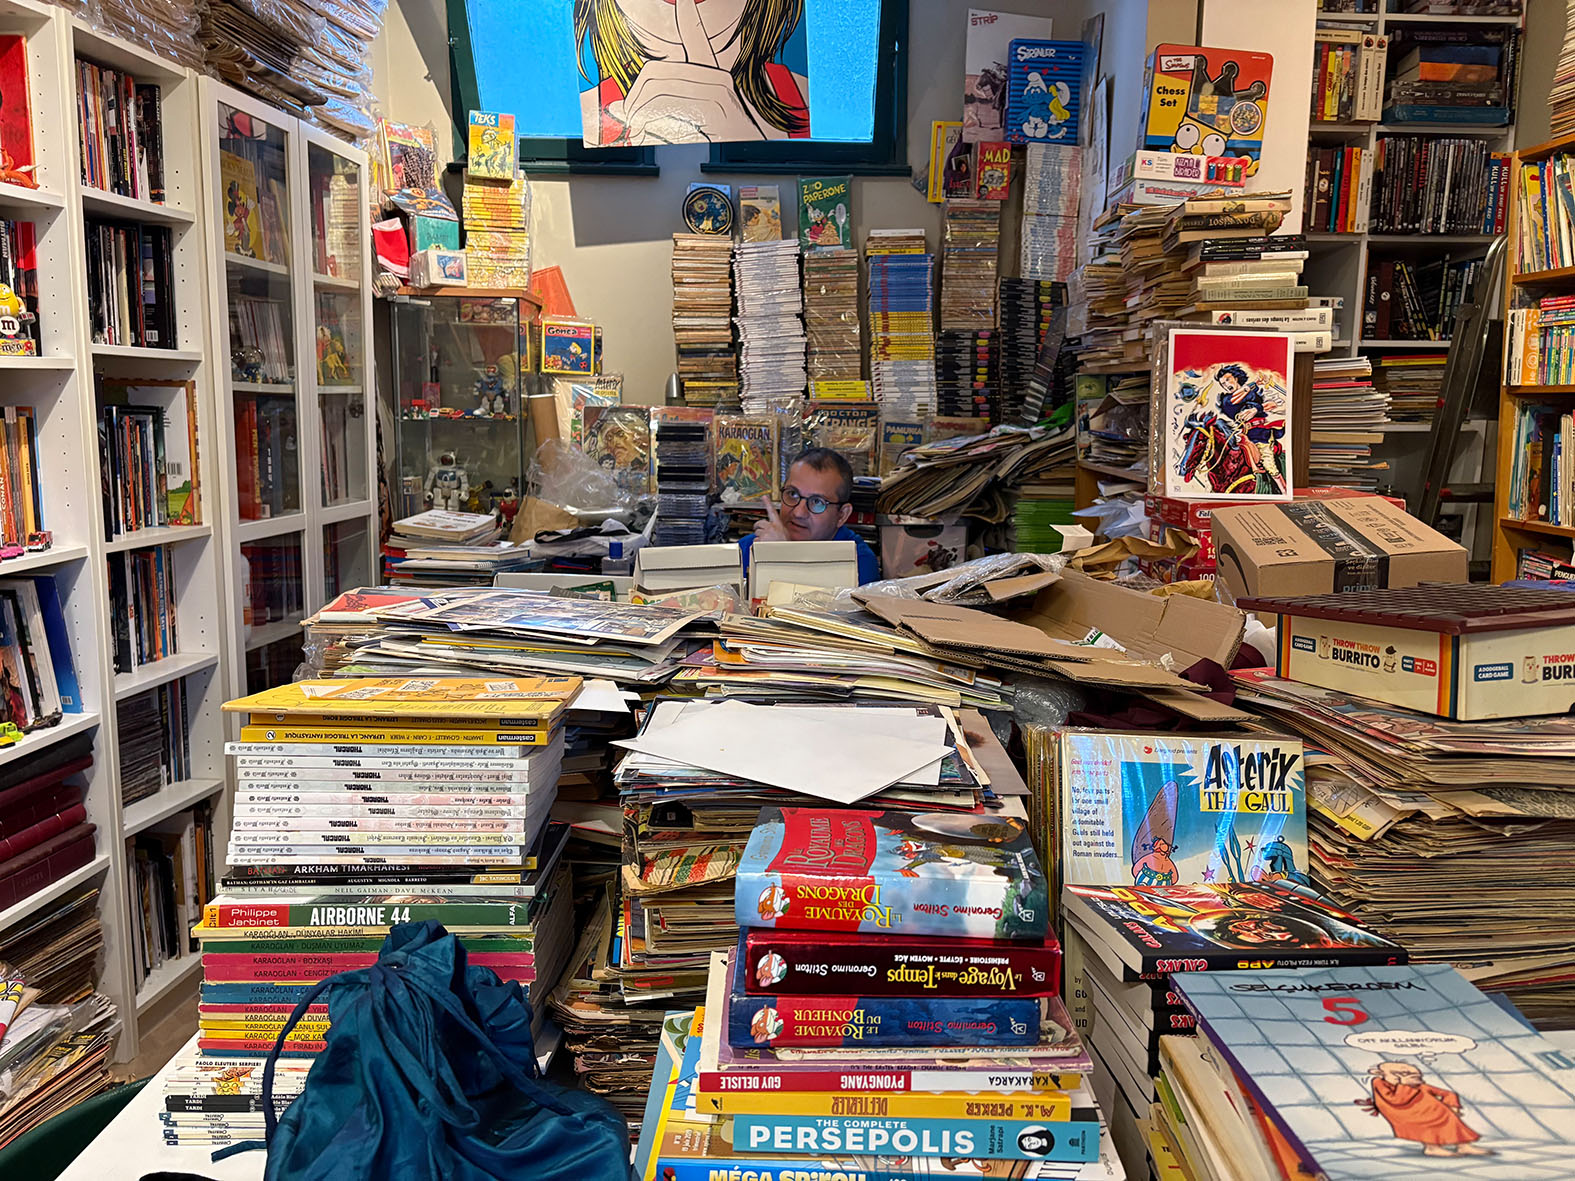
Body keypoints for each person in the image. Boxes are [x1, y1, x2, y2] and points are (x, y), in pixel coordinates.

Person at [740, 447, 878, 585]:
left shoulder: (858, 562)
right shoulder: (751, 547)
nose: (798, 513)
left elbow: (814, 599)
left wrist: (783, 556)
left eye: (817, 502)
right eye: (792, 494)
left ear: (842, 515)